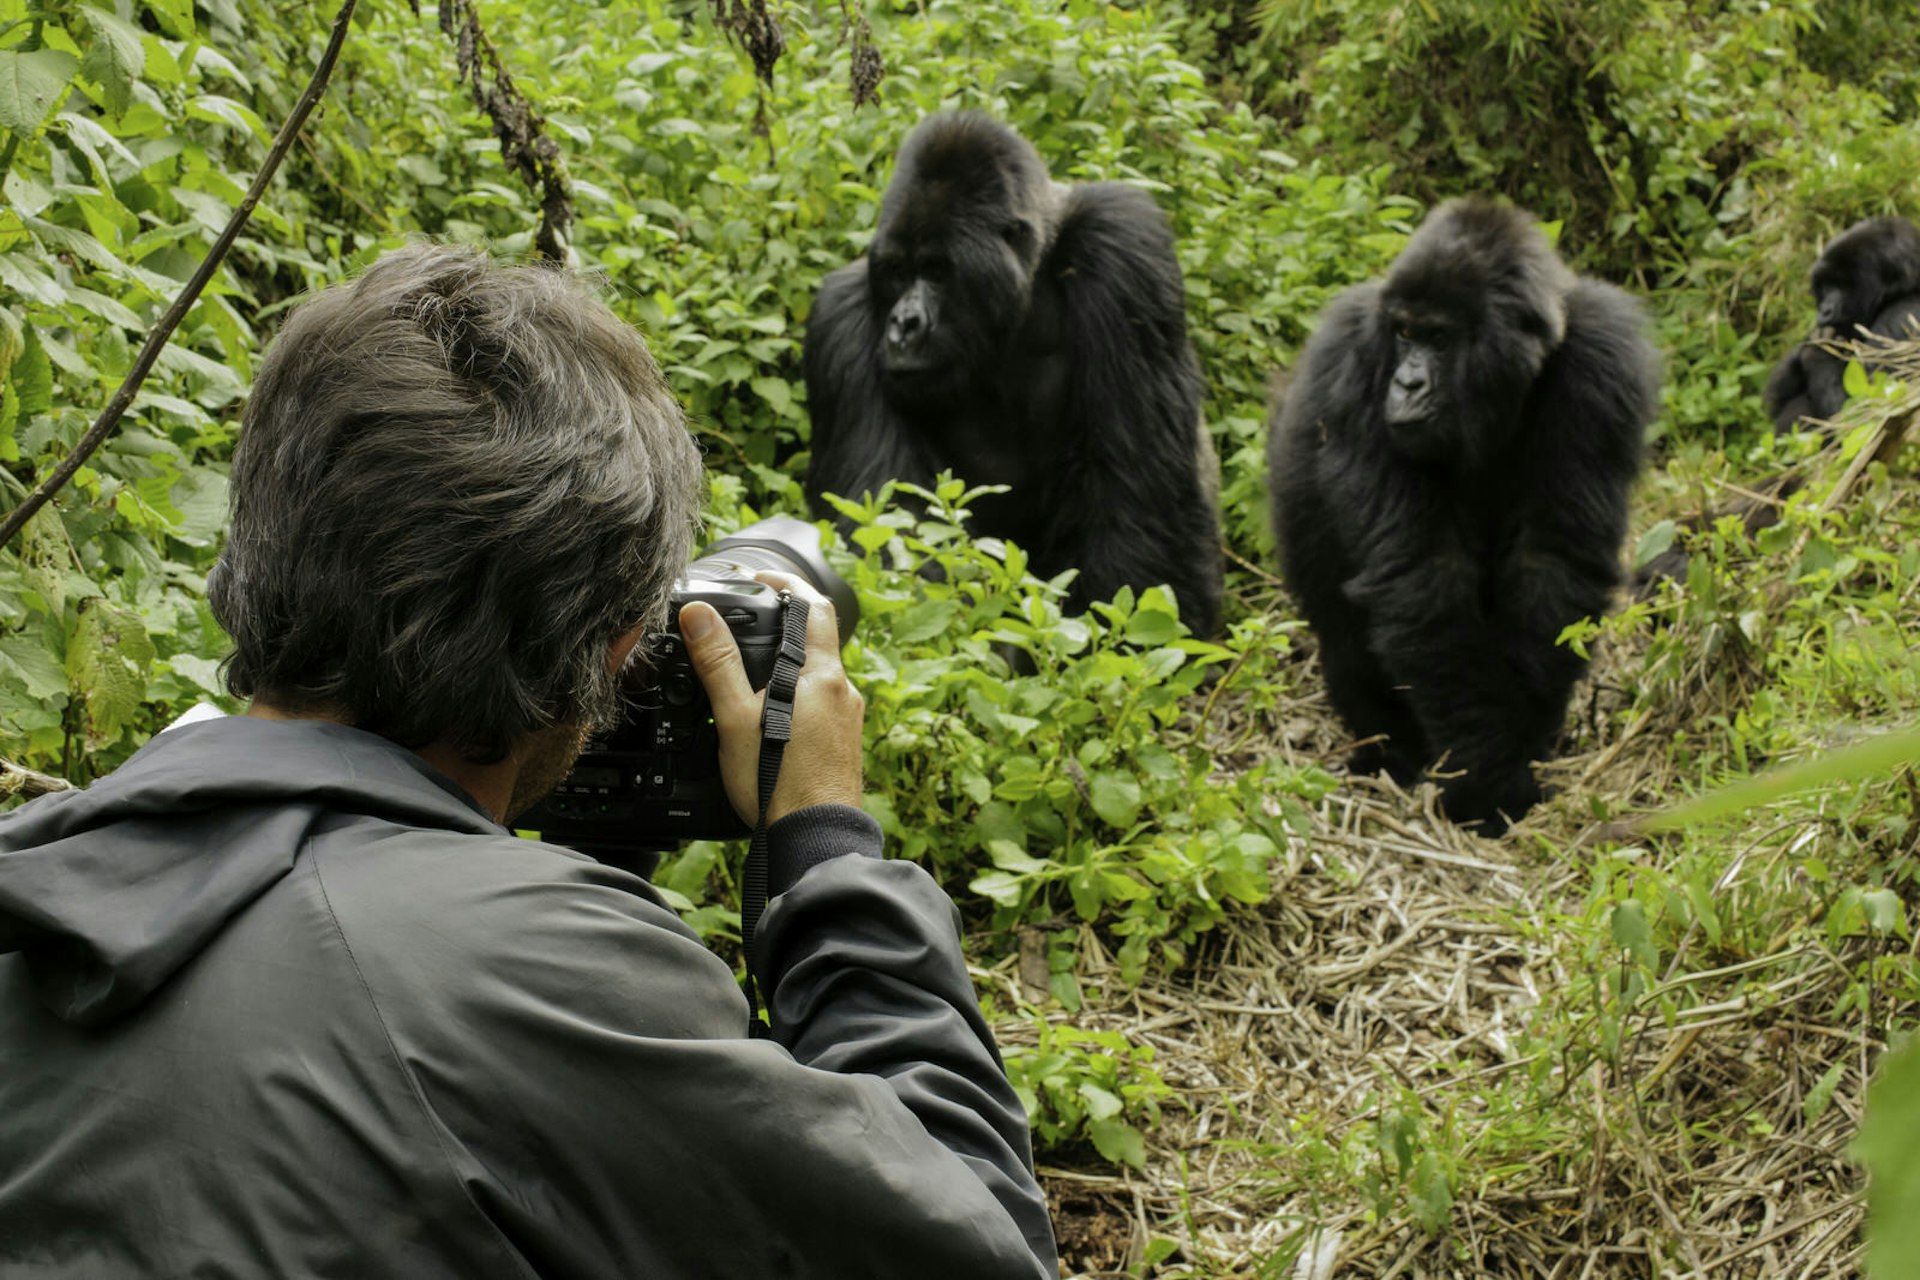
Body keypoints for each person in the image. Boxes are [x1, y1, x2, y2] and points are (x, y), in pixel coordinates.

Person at [0, 244, 1058, 1279]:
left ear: (258, 542)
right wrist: (825, 846)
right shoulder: (534, 980)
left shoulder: (50, 873)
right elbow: (983, 1238)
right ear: (611, 654)